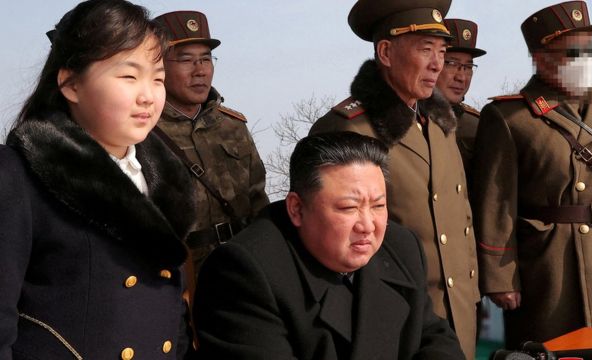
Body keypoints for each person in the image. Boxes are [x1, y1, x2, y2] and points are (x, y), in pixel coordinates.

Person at [0, 0, 195, 359]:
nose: (148, 96)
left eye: (158, 78)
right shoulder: (17, 177)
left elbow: (172, 320)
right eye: (128, 76)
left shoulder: (166, 181)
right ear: (71, 83)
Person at [193, 131, 465, 359]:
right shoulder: (244, 271)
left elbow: (434, 340)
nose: (368, 225)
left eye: (379, 206)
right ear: (297, 209)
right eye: (349, 207)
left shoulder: (400, 247)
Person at [309, 1, 479, 358]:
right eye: (425, 50)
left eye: (442, 52)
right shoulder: (349, 128)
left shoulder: (441, 125)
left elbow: (460, 217)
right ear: (386, 52)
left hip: (456, 309)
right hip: (391, 313)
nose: (438, 64)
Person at [472, 0, 592, 348]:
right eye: (572, 51)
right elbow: (495, 203)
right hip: (552, 264)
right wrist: (502, 277)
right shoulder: (511, 117)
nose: (585, 59)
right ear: (542, 57)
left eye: (588, 49)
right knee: (556, 349)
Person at [154, 11, 269, 273]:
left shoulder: (232, 126)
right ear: (159, 65)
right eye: (186, 60)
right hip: (178, 273)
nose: (200, 71)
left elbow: (258, 201)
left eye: (206, 59)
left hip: (241, 263)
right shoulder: (144, 131)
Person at [435, 18, 486, 180]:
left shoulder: (476, 126)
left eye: (468, 67)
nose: (461, 77)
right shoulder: (407, 119)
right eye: (451, 63)